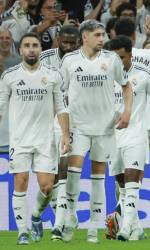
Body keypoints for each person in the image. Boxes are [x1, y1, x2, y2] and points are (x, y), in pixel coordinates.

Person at [105, 16, 150, 240]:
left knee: (132, 178)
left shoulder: (144, 69)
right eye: (115, 57)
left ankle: (126, 228)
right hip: (110, 137)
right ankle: (135, 226)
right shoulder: (104, 74)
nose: (119, 61)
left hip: (137, 131)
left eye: (122, 57)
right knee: (123, 185)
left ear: (131, 52)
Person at [61, 19, 133, 244]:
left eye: (103, 35)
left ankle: (94, 224)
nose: (102, 39)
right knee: (73, 173)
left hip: (104, 127)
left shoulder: (111, 60)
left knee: (98, 178)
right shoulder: (70, 61)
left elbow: (126, 85)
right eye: (98, 35)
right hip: (78, 126)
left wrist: (127, 111)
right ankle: (71, 215)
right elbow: (59, 92)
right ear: (85, 37)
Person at [0, 32, 70, 244]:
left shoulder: (53, 75)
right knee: (20, 181)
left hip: (45, 139)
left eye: (35, 45)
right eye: (27, 45)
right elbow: (1, 106)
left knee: (47, 187)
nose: (31, 49)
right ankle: (22, 231)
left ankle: (36, 215)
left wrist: (65, 134)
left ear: (41, 49)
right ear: (20, 50)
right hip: (20, 139)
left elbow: (61, 107)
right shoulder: (9, 76)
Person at [39, 25, 80, 241]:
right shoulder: (44, 58)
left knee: (64, 169)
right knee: (51, 177)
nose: (69, 46)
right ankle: (67, 215)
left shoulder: (82, 60)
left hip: (71, 122)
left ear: (79, 42)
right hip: (46, 122)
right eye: (65, 42)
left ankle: (58, 224)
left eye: (73, 43)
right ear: (57, 40)